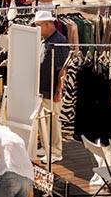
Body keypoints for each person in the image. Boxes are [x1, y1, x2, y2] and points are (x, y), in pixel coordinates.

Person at [34, 10, 69, 164]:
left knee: (54, 121)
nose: (37, 28)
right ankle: (47, 146)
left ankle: (55, 151)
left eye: (39, 25)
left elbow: (63, 69)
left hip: (52, 90)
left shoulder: (59, 41)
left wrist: (58, 91)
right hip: (43, 89)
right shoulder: (45, 40)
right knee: (44, 120)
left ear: (48, 25)